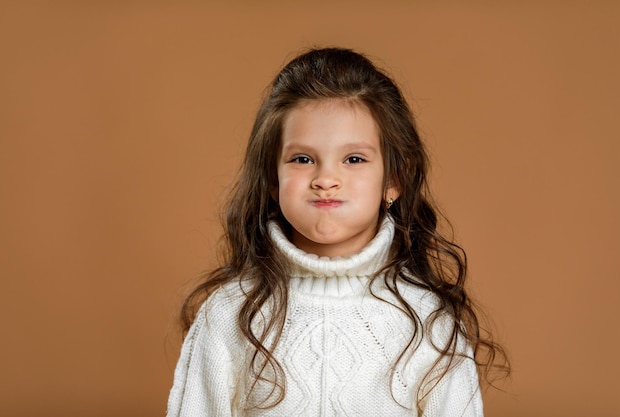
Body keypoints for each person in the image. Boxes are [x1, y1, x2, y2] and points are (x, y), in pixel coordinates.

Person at [166, 47, 508, 417]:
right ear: (271, 180)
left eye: (354, 159)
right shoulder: (230, 315)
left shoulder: (430, 323)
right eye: (302, 159)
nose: (326, 179)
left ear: (394, 179)